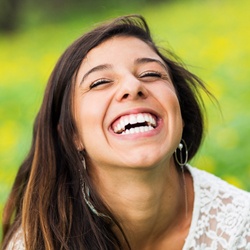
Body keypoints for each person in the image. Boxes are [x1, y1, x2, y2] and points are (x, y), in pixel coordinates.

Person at [1, 14, 250, 250]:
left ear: (181, 114)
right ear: (71, 134)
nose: (133, 86)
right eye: (100, 82)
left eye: (151, 74)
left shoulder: (241, 227)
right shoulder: (37, 241)